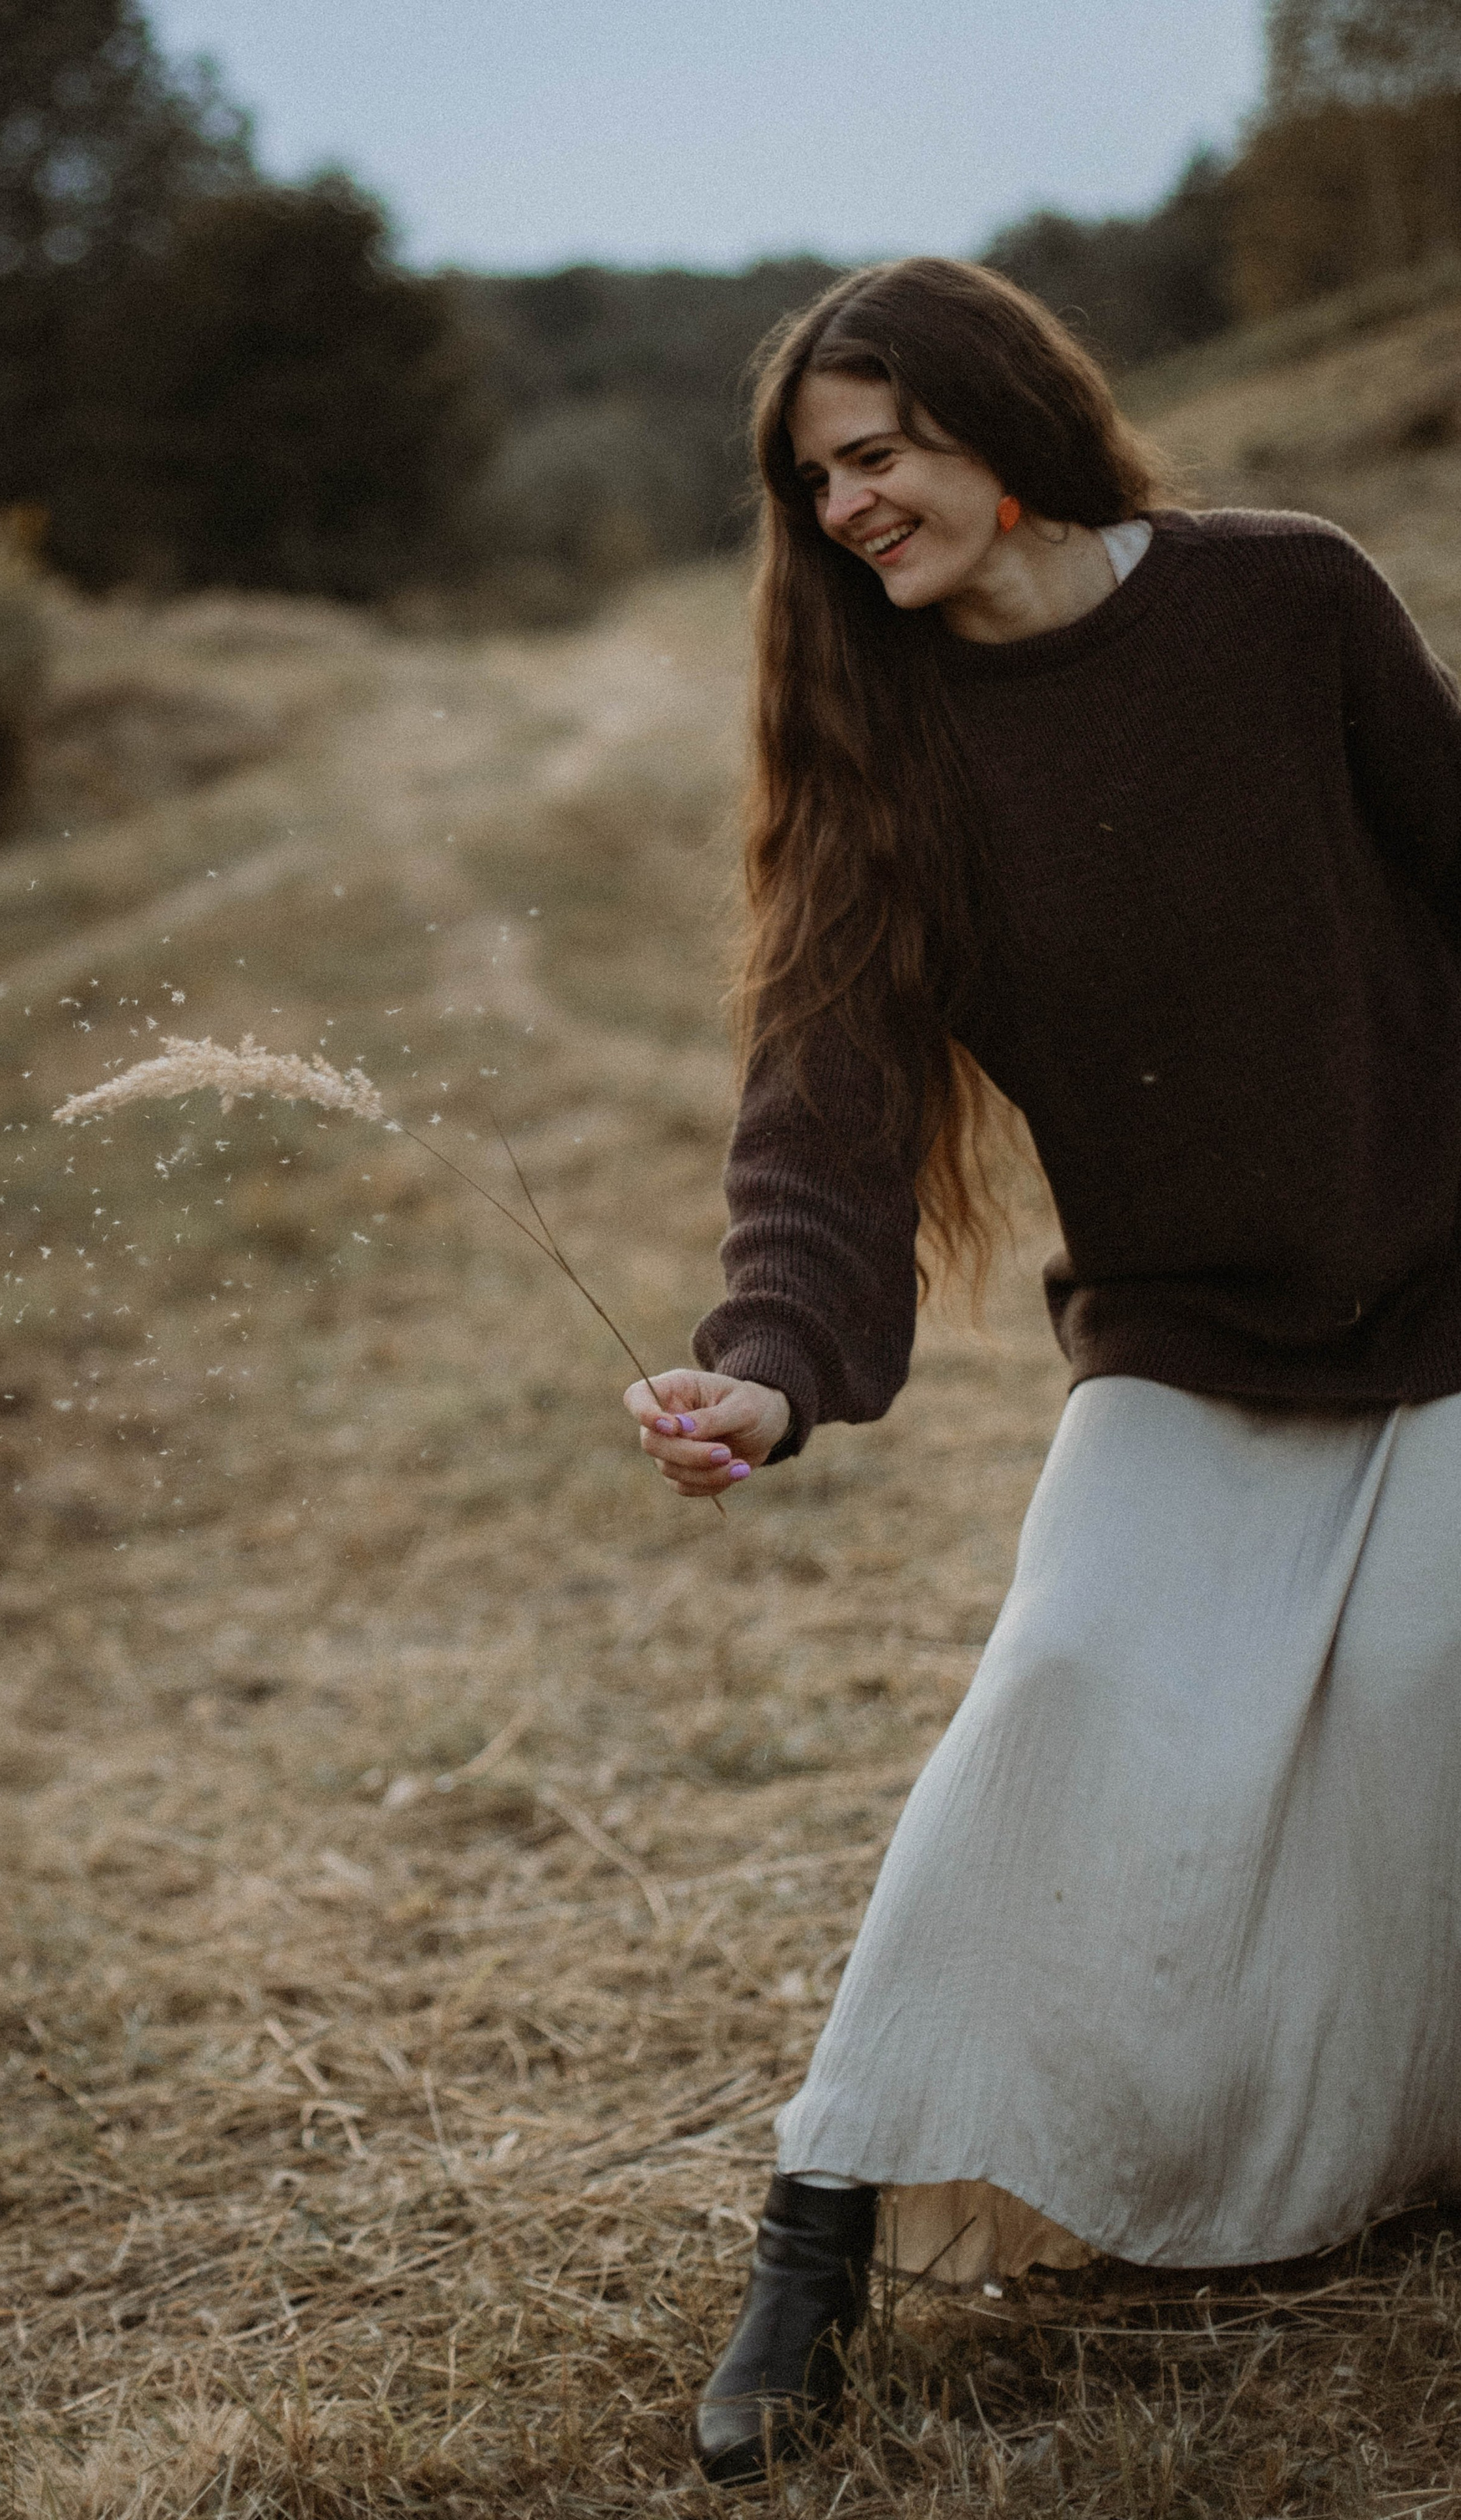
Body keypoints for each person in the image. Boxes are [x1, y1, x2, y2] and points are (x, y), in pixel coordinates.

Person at [622, 256, 1461, 2485]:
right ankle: (827, 2214)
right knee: (1074, 1671)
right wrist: (768, 1372)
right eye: (819, 482)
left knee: (1417, 1687)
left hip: (1459, 1278)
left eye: (882, 448)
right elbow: (820, 1124)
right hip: (1188, 1329)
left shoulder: (1289, 603)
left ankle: (1393, 2141)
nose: (855, 504)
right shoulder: (879, 766)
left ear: (1001, 417)